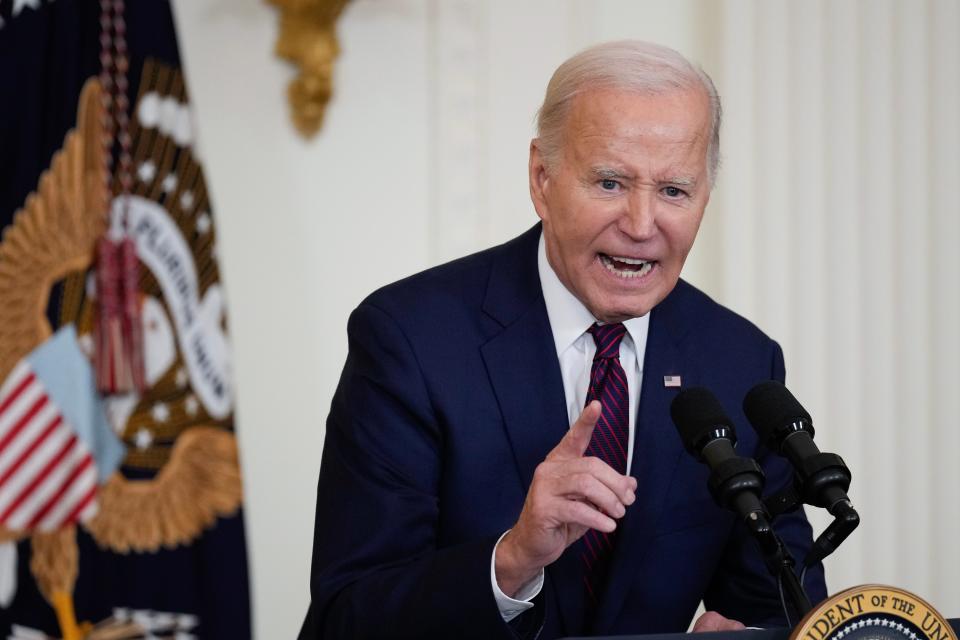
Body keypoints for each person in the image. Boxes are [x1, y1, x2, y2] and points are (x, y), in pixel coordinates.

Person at [298, 40, 827, 639]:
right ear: (542, 178)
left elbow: (782, 607)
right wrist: (513, 559)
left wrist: (753, 638)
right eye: (609, 182)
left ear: (705, 196)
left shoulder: (738, 362)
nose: (641, 224)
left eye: (674, 191)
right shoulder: (410, 340)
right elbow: (346, 616)